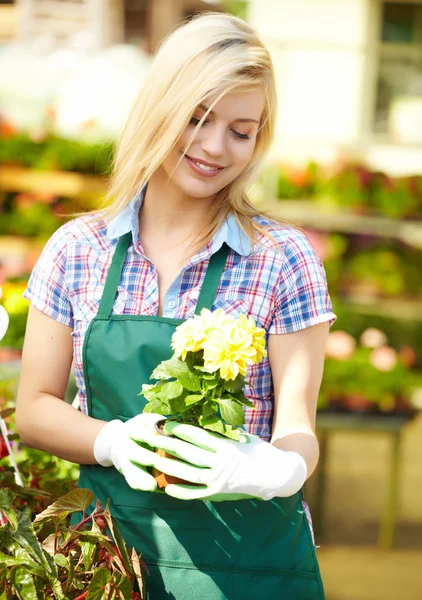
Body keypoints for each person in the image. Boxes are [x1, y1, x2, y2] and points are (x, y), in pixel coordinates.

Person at [16, 12, 336, 600]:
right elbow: (33, 408)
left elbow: (298, 429)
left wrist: (275, 470)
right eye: (197, 118)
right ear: (160, 107)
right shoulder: (77, 249)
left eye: (241, 131)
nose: (215, 147)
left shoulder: (282, 258)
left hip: (248, 568)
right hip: (107, 558)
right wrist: (112, 441)